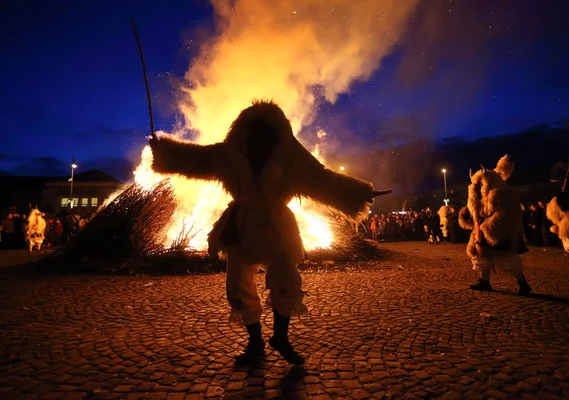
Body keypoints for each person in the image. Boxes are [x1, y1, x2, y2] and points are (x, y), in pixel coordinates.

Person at [149, 100, 390, 366]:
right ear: (244, 136)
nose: (257, 145)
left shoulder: (291, 159)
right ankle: (255, 343)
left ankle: (281, 338)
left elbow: (321, 179)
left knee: (286, 280)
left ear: (274, 138)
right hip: (240, 225)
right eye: (253, 137)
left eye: (264, 138)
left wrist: (359, 192)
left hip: (277, 227)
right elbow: (197, 159)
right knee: (238, 287)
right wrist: (163, 152)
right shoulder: (229, 155)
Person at [458, 155, 532, 295]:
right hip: (480, 233)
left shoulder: (503, 193)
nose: (478, 185)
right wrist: (467, 217)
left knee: (506, 259)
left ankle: (523, 283)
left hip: (498, 233)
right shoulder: (476, 196)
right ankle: (484, 281)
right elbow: (475, 215)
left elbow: (508, 214)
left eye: (481, 182)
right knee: (481, 257)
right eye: (477, 183)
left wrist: (488, 226)